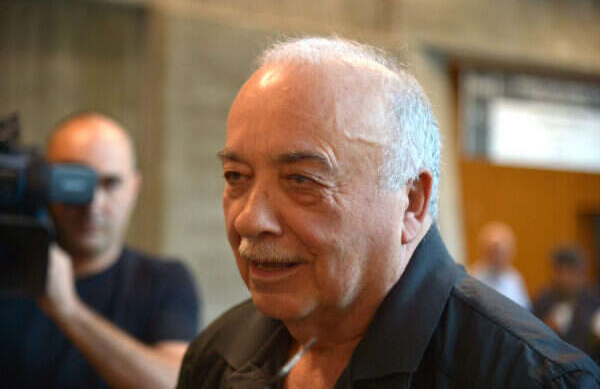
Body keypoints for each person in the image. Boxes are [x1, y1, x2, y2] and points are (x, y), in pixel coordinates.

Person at [177, 37, 600, 388]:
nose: (249, 220)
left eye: (301, 180)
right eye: (236, 176)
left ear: (411, 202)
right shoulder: (216, 356)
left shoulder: (529, 378)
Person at [0, 112, 200, 388]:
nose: (92, 205)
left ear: (134, 188)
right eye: (74, 183)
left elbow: (174, 383)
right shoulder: (7, 271)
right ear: (41, 181)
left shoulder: (163, 281)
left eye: (110, 183)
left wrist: (68, 310)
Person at [533, 245, 600, 361]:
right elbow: (533, 339)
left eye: (570, 272)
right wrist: (547, 328)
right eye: (560, 271)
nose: (564, 278)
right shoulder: (544, 300)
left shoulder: (593, 299)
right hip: (554, 363)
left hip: (590, 363)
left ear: (581, 273)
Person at [469, 221, 531, 308]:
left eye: (503, 251)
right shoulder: (472, 277)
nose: (498, 256)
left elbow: (525, 308)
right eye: (493, 250)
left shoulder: (514, 277)